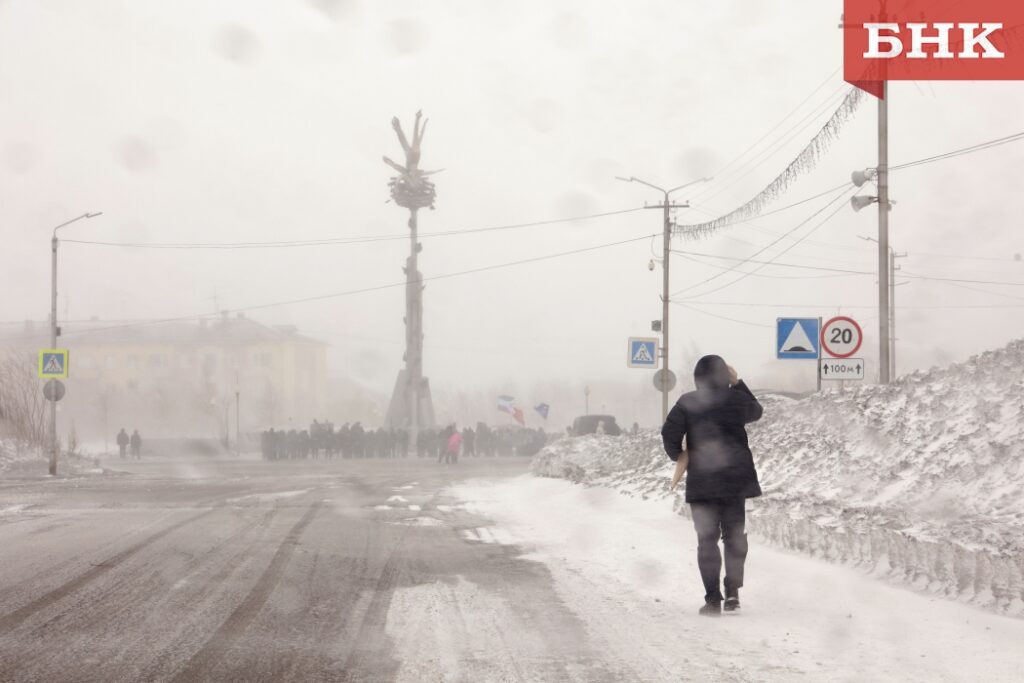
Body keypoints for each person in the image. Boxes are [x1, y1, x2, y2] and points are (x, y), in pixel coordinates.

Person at [661, 355, 763, 617]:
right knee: (734, 538)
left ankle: (712, 599)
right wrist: (738, 383)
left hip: (703, 482)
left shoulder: (688, 402)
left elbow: (669, 434)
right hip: (734, 483)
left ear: (697, 378)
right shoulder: (736, 399)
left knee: (707, 541)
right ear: (723, 376)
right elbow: (756, 411)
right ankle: (733, 593)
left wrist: (680, 456)